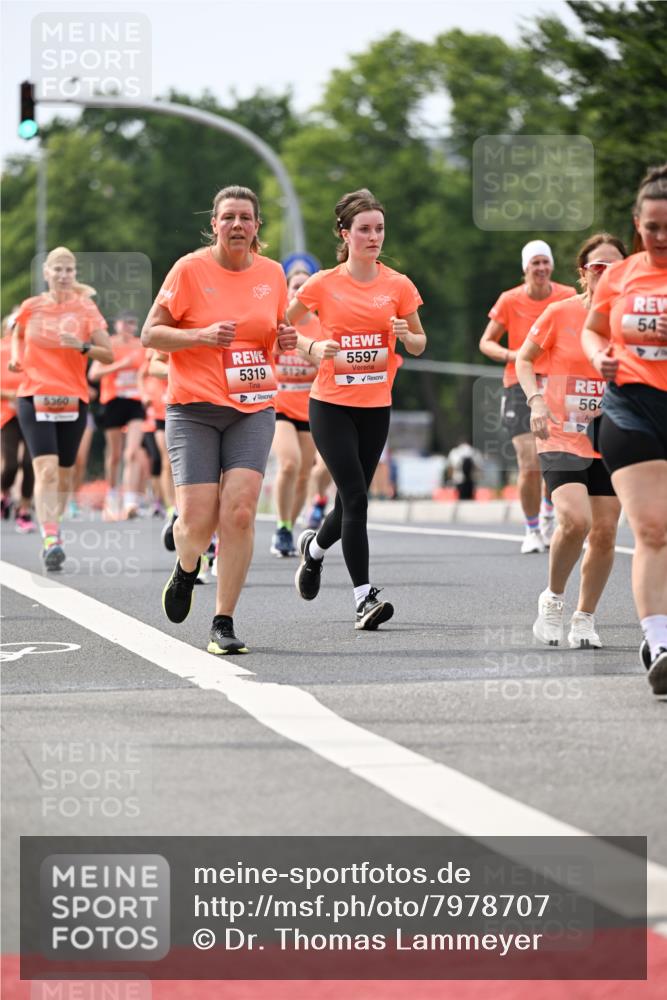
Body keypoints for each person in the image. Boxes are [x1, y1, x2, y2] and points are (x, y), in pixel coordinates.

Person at [141, 184, 297, 654]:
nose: (236, 225)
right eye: (228, 217)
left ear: (256, 227)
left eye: (245, 218)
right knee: (196, 519)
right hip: (193, 409)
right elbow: (151, 333)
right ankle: (187, 567)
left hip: (252, 407)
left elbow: (268, 336)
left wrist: (284, 341)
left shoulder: (272, 274)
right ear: (214, 224)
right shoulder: (190, 269)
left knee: (242, 511)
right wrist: (201, 336)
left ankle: (223, 621)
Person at [287, 188, 426, 629]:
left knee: (351, 504)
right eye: (364, 229)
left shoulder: (398, 285)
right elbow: (285, 323)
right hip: (330, 406)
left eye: (379, 229)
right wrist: (313, 346)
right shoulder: (323, 283)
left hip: (376, 406)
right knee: (357, 498)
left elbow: (420, 344)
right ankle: (364, 598)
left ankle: (313, 550)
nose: (374, 237)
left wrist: (407, 334)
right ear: (345, 234)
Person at [516, 233, 627, 648]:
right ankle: (553, 599)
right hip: (561, 433)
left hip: (612, 435)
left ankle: (584, 618)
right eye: (599, 268)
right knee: (575, 520)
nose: (607, 274)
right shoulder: (560, 313)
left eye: (616, 267)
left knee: (604, 533)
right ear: (584, 274)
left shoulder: (630, 323)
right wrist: (537, 402)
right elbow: (525, 359)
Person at [582, 163, 667, 695]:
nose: (661, 236)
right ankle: (660, 644)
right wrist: (600, 358)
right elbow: (593, 329)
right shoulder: (621, 275)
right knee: (653, 529)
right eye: (652, 226)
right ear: (637, 223)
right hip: (628, 410)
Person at [9, 247, 113, 569]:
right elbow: (18, 333)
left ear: (75, 273)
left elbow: (107, 354)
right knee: (47, 469)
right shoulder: (32, 306)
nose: (64, 275)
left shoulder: (86, 308)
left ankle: (54, 525)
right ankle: (50, 537)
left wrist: (82, 346)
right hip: (34, 395)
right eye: (58, 269)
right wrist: (16, 357)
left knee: (65, 476)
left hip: (72, 397)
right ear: (46, 273)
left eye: (69, 270)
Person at [480, 240, 576, 553]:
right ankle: (532, 529)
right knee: (529, 461)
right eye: (535, 263)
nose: (541, 268)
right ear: (525, 268)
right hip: (520, 383)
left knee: (557, 458)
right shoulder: (509, 300)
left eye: (545, 262)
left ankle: (550, 514)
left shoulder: (567, 296)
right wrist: (512, 354)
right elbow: (486, 342)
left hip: (559, 385)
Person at [270, 264, 323, 557]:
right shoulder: (278, 322)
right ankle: (280, 527)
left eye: (305, 288)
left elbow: (326, 364)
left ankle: (289, 525)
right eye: (295, 287)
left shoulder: (320, 324)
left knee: (304, 473)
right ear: (287, 292)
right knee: (289, 463)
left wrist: (308, 350)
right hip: (280, 405)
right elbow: (266, 355)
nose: (299, 292)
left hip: (311, 406)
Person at [89, 312, 146, 520]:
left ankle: (130, 501)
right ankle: (112, 498)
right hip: (112, 402)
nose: (129, 327)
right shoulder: (109, 345)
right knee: (114, 455)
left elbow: (148, 370)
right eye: (125, 322)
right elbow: (93, 374)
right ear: (116, 325)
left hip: (135, 403)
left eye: (133, 323)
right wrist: (120, 366)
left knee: (131, 452)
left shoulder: (141, 345)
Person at [1, 309, 35, 531]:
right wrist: (10, 396)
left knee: (30, 463)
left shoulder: (33, 349)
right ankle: (4, 494)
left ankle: (23, 509)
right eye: (14, 324)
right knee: (11, 463)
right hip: (7, 414)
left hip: (32, 410)